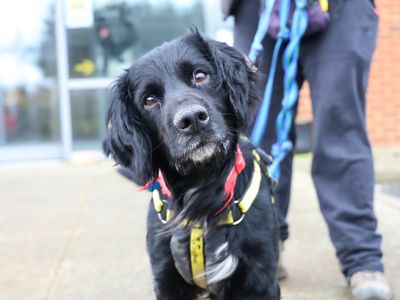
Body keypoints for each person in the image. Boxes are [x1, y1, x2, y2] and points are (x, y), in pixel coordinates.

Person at [223, 0, 393, 299]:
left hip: (342, 10)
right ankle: (262, 247)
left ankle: (361, 257)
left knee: (341, 131)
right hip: (257, 7)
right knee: (255, 137)